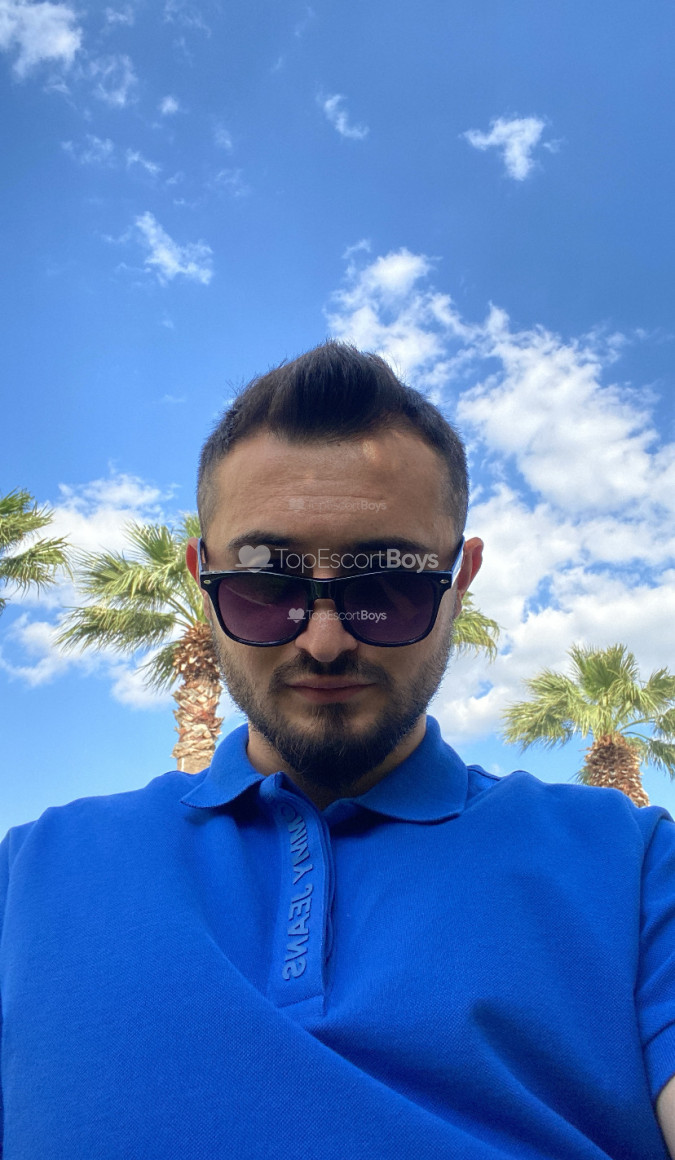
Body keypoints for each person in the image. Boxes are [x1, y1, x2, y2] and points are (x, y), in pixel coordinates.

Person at [2, 342, 675, 1160]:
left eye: (387, 582)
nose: (324, 643)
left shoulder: (635, 866)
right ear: (201, 577)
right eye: (266, 582)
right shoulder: (27, 875)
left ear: (459, 579)